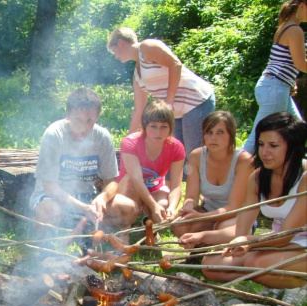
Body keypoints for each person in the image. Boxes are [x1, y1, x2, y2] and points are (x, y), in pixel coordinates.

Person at [202, 112, 307, 290]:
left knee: (255, 262)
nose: (264, 152)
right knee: (211, 265)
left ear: (293, 147)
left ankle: (298, 286)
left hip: (296, 243)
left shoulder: (305, 177)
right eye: (261, 144)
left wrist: (248, 242)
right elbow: (241, 230)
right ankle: (271, 276)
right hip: (277, 242)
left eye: (273, 145)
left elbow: (286, 235)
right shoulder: (258, 177)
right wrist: (208, 238)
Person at [107, 27, 215, 160]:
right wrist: (128, 141)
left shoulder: (147, 47)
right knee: (178, 156)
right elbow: (138, 110)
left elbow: (175, 64)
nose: (116, 56)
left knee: (194, 155)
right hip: (176, 111)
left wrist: (168, 102)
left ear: (120, 43)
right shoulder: (137, 75)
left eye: (114, 51)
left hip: (197, 100)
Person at [29, 88, 118, 240]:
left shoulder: (102, 137)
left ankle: (95, 240)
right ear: (68, 115)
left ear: (97, 117)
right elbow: (50, 188)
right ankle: (44, 250)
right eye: (78, 120)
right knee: (51, 210)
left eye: (89, 120)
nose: (83, 127)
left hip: (88, 196)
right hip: (52, 197)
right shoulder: (55, 135)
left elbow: (112, 182)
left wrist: (103, 197)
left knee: (125, 208)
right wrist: (83, 208)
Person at [173, 111, 253, 247]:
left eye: (220, 132)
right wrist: (186, 208)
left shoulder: (243, 160)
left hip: (236, 215)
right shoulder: (196, 156)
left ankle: (218, 248)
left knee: (221, 228)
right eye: (209, 132)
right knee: (180, 226)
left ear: (231, 135)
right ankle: (199, 249)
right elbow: (192, 196)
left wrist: (200, 217)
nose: (213, 138)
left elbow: (234, 207)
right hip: (208, 210)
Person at [104, 100, 185, 231]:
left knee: (163, 207)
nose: (158, 132)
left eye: (164, 127)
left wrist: (172, 207)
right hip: (130, 187)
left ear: (171, 127)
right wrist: (153, 205)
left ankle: (147, 226)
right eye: (153, 126)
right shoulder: (131, 143)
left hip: (155, 188)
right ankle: (125, 228)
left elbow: (176, 185)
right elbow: (136, 180)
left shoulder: (176, 147)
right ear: (145, 126)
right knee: (128, 208)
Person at [242, 0, 307, 155]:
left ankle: (293, 172)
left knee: (298, 130)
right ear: (302, 6)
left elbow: (283, 61)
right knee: (255, 140)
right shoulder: (294, 29)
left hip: (275, 86)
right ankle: (234, 175)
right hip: (275, 88)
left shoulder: (286, 26)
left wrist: (290, 81)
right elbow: (300, 64)